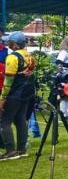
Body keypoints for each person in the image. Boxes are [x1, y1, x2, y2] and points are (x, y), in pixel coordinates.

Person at [0, 31, 36, 160]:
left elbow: (8, 80)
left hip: (14, 93)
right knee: (20, 120)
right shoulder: (30, 56)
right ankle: (22, 149)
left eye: (9, 41)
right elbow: (30, 73)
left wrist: (2, 98)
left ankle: (10, 151)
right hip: (26, 94)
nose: (7, 43)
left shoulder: (12, 58)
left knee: (4, 122)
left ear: (14, 44)